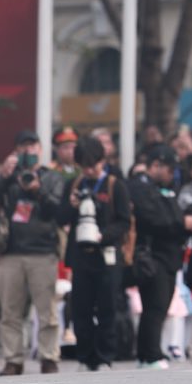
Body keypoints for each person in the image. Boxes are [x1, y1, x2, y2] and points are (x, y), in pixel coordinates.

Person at [0, 130, 66, 375]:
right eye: (23, 147)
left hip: (43, 252)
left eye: (32, 147)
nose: (28, 152)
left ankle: (49, 357)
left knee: (47, 312)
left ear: (40, 150)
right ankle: (13, 359)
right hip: (11, 253)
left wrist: (37, 190)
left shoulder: (52, 178)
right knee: (10, 311)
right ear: (16, 151)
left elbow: (59, 213)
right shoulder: (9, 177)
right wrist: (4, 177)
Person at [57, 137, 132, 371]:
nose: (90, 170)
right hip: (81, 255)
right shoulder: (75, 184)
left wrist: (104, 235)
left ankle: (104, 357)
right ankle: (85, 356)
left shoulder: (114, 185)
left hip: (107, 255)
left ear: (102, 161)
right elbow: (60, 218)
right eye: (85, 166)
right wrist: (70, 205)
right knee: (81, 308)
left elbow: (124, 222)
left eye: (94, 165)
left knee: (108, 307)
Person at [130, 144, 192, 369]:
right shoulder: (142, 187)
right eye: (169, 169)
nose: (173, 174)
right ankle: (151, 354)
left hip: (169, 256)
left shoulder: (166, 189)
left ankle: (146, 354)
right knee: (155, 305)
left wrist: (189, 221)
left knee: (158, 307)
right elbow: (152, 219)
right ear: (156, 165)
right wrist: (183, 222)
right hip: (153, 255)